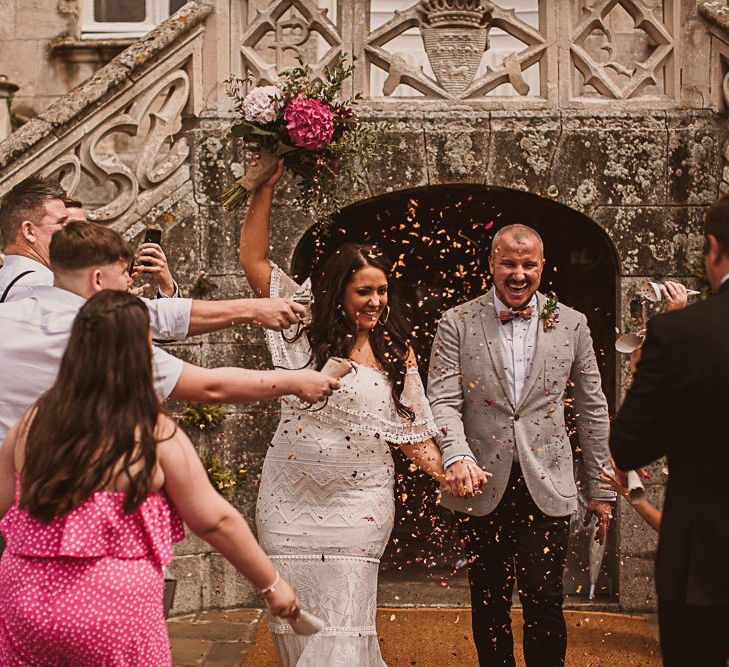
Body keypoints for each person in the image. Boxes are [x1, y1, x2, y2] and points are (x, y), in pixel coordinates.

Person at [240, 163, 475, 666]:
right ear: (338, 291)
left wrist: (448, 471)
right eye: (364, 291)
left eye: (382, 291)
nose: (376, 301)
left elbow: (412, 434)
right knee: (295, 627)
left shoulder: (397, 350)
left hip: (360, 507)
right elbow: (254, 260)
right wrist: (264, 187)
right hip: (287, 499)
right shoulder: (297, 329)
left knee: (342, 628)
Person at [0, 290, 300, 665]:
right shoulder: (152, 433)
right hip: (112, 606)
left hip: (25, 597)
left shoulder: (32, 422)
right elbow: (215, 520)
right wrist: (272, 584)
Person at [427, 224, 615, 667]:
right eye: (508, 263)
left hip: (547, 482)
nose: (518, 274)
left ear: (542, 266)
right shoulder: (456, 321)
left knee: (545, 598)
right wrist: (457, 455)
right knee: (488, 600)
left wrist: (602, 490)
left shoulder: (572, 323)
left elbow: (593, 409)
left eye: (528, 264)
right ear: (491, 263)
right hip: (479, 481)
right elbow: (442, 399)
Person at [0, 220, 340, 446]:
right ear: (99, 281)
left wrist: (252, 309)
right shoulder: (102, 336)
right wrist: (296, 381)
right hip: (56, 496)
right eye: (125, 276)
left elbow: (157, 314)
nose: (131, 284)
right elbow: (210, 385)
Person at [610, 196, 729, 667]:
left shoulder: (681, 334)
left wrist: (648, 369)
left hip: (706, 558)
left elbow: (630, 444)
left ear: (714, 248)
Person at [0, 177, 179, 301]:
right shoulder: (44, 285)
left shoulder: (9, 276)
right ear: (29, 231)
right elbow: (157, 322)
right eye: (63, 224)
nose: (73, 234)